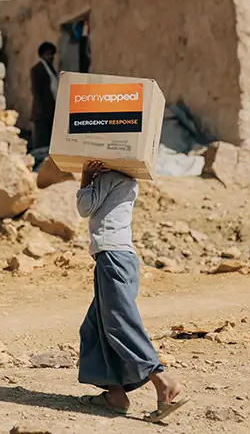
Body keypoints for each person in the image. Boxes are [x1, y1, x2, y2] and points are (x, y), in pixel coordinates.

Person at [75, 160, 189, 423]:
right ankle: (115, 395)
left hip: (112, 257)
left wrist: (85, 176)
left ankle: (162, 382)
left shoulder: (107, 176)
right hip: (122, 258)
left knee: (119, 323)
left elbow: (84, 208)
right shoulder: (129, 178)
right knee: (95, 327)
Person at [30, 42, 58, 151]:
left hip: (50, 110)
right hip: (42, 112)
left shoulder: (50, 69)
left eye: (51, 54)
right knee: (42, 143)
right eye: (48, 54)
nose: (50, 57)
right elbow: (36, 92)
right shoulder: (37, 69)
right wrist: (40, 111)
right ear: (42, 55)